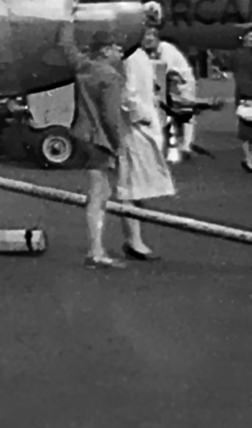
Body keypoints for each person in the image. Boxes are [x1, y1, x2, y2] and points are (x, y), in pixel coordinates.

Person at [60, 23, 129, 268]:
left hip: (81, 133)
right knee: (98, 196)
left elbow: (67, 48)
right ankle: (96, 251)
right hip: (99, 139)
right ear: (106, 50)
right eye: (117, 49)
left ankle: (97, 249)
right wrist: (119, 146)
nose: (121, 53)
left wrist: (66, 21)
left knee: (100, 193)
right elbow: (111, 117)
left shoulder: (83, 67)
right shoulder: (110, 77)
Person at [115, 23, 176, 260]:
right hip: (135, 128)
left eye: (153, 34)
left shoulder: (140, 56)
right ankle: (133, 240)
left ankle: (136, 238)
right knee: (130, 184)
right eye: (146, 33)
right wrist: (141, 116)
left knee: (139, 185)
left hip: (146, 124)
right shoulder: (129, 57)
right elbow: (127, 95)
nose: (151, 38)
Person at [149, 25, 198, 162]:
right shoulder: (152, 51)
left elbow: (164, 68)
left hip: (183, 83)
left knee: (186, 114)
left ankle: (186, 146)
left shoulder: (166, 49)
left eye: (152, 38)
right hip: (170, 83)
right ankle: (174, 144)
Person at [235, 28, 252, 172]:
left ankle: (249, 160)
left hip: (245, 95)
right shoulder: (241, 55)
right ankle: (249, 160)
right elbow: (242, 79)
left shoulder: (240, 54)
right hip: (247, 96)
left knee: (246, 131)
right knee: (246, 130)